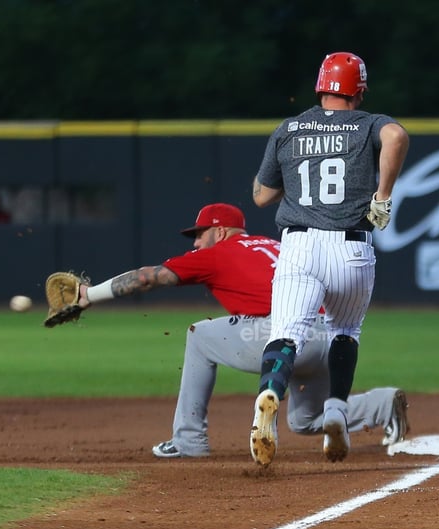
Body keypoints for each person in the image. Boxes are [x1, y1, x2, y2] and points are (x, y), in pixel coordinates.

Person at [71, 202, 408, 458]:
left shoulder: (218, 253)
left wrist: (88, 295)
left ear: (219, 232)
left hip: (282, 335)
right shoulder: (275, 245)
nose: (195, 244)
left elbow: (146, 278)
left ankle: (188, 440)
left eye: (199, 235)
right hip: (327, 338)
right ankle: (381, 404)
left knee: (199, 335)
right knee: (305, 421)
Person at [251, 52, 410, 466]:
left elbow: (262, 196)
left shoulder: (290, 128)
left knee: (286, 334)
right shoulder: (368, 123)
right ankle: (337, 409)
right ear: (358, 90)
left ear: (321, 86)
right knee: (345, 331)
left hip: (299, 246)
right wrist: (383, 196)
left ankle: (270, 391)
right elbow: (396, 137)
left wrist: (300, 169)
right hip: (352, 249)